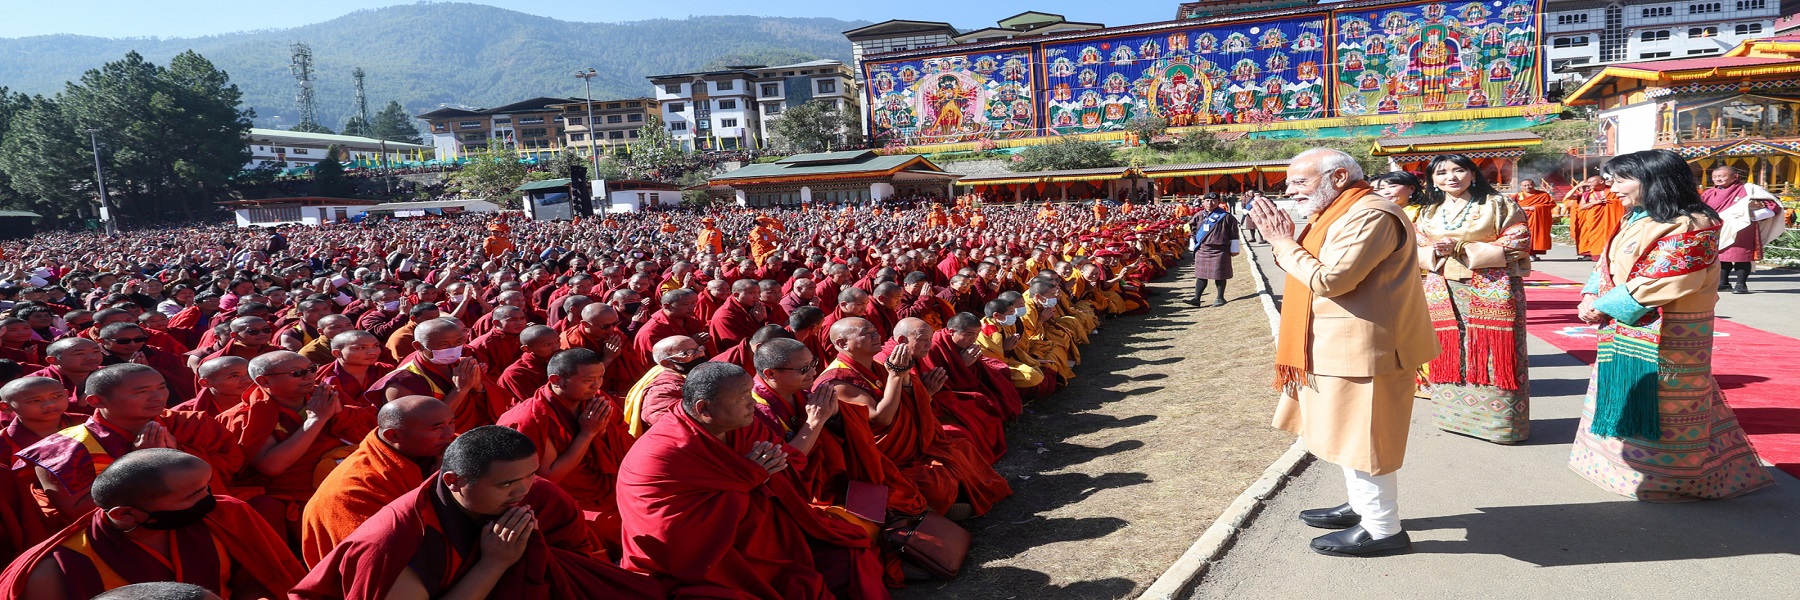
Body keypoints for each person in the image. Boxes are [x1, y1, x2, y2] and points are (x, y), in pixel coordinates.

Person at [1248, 148, 1437, 556]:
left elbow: (1331, 280)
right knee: (1350, 435)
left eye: (1300, 181)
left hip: (1368, 349)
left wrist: (1282, 241)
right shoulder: (1338, 211)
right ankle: (1362, 506)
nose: (1290, 191)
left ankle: (1383, 529)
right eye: (1289, 182)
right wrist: (1286, 243)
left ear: (1337, 178)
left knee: (1368, 440)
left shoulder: (1371, 214)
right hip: (1338, 345)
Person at [1570, 149, 1775, 501]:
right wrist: (1590, 295)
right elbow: (1605, 263)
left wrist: (1602, 306)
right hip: (1624, 320)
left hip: (1673, 328)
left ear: (1654, 180)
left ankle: (1670, 481)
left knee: (1670, 401)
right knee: (1627, 391)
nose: (1613, 188)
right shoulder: (1636, 216)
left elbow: (1668, 279)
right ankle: (1619, 470)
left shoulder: (1694, 223)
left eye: (1621, 180)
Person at [292, 426, 664, 599]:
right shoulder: (396, 540)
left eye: (530, 475)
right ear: (453, 481)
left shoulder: (533, 496)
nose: (523, 491)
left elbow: (573, 561)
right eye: (507, 484)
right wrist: (494, 564)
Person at [616, 362, 857, 599]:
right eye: (743, 397)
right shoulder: (661, 454)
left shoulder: (740, 426)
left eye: (750, 394)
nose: (753, 403)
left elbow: (788, 464)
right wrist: (748, 477)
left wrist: (751, 476)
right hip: (708, 558)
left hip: (760, 535)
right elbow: (668, 534)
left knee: (846, 558)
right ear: (704, 409)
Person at [0, 449, 303, 600]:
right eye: (194, 495)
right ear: (125, 515)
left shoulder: (225, 516)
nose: (211, 499)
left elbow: (265, 579)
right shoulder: (57, 568)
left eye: (207, 487)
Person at [819, 317, 1011, 517]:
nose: (877, 336)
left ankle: (954, 500)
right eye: (867, 333)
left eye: (875, 331)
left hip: (908, 443)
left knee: (960, 448)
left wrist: (913, 386)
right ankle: (936, 508)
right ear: (842, 343)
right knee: (932, 478)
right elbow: (882, 419)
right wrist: (896, 376)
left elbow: (911, 398)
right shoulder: (838, 381)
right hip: (880, 455)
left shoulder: (875, 365)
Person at [14, 364, 244, 529]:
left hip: (205, 514)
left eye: (161, 387)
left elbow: (231, 464)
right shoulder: (62, 450)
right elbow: (76, 513)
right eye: (141, 392)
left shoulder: (189, 423)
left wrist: (179, 455)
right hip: (123, 534)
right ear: (96, 401)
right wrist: (144, 464)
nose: (158, 397)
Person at [1413, 154, 1533, 444]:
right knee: (1449, 348)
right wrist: (1435, 251)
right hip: (1443, 286)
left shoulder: (1498, 204)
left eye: (1459, 170)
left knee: (1494, 353)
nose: (1450, 177)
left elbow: (1518, 238)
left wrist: (1462, 247)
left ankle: (1500, 425)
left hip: (1492, 285)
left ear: (1472, 174)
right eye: (1441, 173)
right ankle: (1453, 417)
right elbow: (1415, 243)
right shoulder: (1428, 211)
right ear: (1432, 179)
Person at [218, 351, 376, 543]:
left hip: (349, 476)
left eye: (311, 369)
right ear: (264, 381)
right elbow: (272, 466)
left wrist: (340, 415)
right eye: (297, 373)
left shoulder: (326, 396)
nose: (309, 376)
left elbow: (367, 435)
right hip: (300, 491)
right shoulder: (248, 415)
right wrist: (316, 420)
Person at [496, 348, 635, 560]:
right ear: (556, 380)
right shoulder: (533, 418)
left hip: (611, 484)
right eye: (588, 380)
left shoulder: (596, 399)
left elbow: (624, 440)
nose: (597, 385)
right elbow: (549, 477)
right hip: (573, 499)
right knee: (615, 526)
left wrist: (605, 433)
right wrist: (588, 433)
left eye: (600, 377)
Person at [300, 395, 456, 566]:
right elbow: (377, 560)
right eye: (437, 428)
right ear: (393, 435)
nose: (450, 434)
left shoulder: (445, 447)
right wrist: (437, 483)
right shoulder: (352, 492)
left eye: (451, 423)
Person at [1700, 165, 1787, 294]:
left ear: (1735, 177)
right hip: (1719, 228)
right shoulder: (1709, 193)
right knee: (1721, 256)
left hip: (1743, 228)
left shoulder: (1750, 190)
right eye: (1714, 177)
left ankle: (1741, 285)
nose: (1718, 179)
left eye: (1722, 176)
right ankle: (1723, 283)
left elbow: (1773, 207)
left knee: (1741, 256)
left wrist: (1751, 216)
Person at [622, 335, 706, 435]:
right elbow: (676, 430)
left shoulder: (690, 373)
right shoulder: (662, 393)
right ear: (667, 363)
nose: (700, 354)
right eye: (689, 352)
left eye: (699, 348)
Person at [1187, 196, 1242, 307]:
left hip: (1220, 249)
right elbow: (1192, 230)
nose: (1210, 203)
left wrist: (1234, 249)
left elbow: (1233, 233)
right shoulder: (1198, 216)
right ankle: (1196, 299)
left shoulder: (1226, 216)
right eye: (1207, 201)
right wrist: (1193, 244)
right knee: (1201, 275)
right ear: (1203, 202)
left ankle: (1220, 298)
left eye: (1213, 201)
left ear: (1218, 202)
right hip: (1203, 249)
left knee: (1220, 274)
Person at [1564, 175, 1625, 260]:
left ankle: (1611, 256)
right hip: (1595, 221)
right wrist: (1595, 203)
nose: (1588, 184)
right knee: (1596, 238)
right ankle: (1597, 256)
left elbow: (1624, 202)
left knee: (1612, 237)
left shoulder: (1613, 191)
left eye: (1591, 182)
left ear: (1601, 181)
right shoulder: (1588, 194)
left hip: (1611, 220)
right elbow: (1581, 206)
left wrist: (1611, 202)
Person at [173, 356, 251, 415]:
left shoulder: (257, 404)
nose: (248, 380)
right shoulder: (182, 414)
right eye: (234, 376)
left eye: (249, 373)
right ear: (206, 383)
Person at [1513, 178, 1557, 258]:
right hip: (1523, 219)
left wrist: (1538, 207)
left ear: (1534, 185)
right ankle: (1525, 254)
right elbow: (1512, 207)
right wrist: (1527, 208)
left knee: (1535, 235)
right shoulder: (1518, 196)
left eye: (1530, 185)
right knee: (1524, 235)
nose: (1528, 187)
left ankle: (1532, 254)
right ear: (1521, 187)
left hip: (1538, 220)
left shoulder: (1543, 195)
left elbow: (1552, 205)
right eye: (1525, 185)